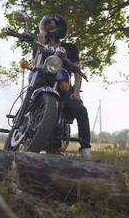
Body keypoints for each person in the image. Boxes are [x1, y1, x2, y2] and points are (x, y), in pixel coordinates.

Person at [35, 14, 92, 159]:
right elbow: (35, 65)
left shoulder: (70, 48)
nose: (47, 28)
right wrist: (39, 45)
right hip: (41, 86)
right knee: (29, 105)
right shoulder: (41, 45)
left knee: (80, 110)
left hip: (64, 89)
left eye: (51, 26)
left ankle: (85, 149)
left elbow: (77, 71)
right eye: (46, 26)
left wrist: (77, 92)